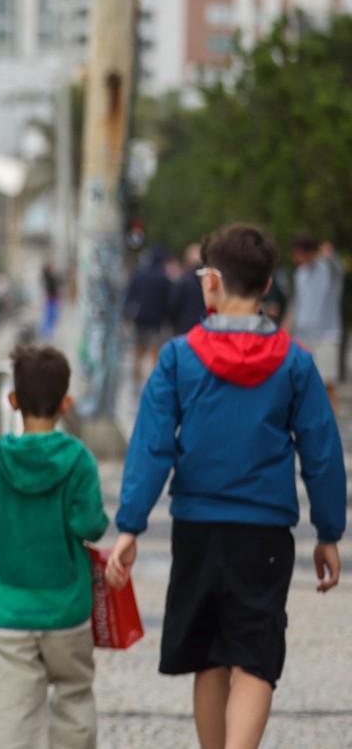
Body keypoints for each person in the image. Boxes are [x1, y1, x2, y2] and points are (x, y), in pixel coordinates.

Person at [107, 223, 345, 749]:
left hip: (198, 528)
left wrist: (130, 525)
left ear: (211, 281)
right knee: (257, 659)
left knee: (209, 657)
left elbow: (152, 446)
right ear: (267, 286)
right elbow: (322, 451)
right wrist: (329, 531)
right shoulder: (295, 362)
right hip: (264, 534)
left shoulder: (177, 358)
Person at [0, 345, 107, 749]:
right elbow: (90, 525)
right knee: (74, 695)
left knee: (13, 710)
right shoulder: (78, 459)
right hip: (67, 608)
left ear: (12, 401)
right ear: (66, 403)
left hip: (10, 612)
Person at [287, 234, 344, 404]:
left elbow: (336, 264)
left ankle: (332, 419)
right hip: (302, 335)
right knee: (302, 383)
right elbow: (297, 303)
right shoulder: (299, 273)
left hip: (326, 334)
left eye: (297, 253)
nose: (295, 258)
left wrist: (325, 253)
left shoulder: (328, 268)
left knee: (327, 383)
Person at [125, 249, 172, 384]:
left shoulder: (140, 274)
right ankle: (151, 379)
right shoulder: (164, 278)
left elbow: (130, 294)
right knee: (154, 350)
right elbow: (168, 300)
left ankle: (136, 375)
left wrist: (128, 315)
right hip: (156, 320)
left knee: (138, 348)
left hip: (139, 317)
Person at [167, 243, 207, 336]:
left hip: (183, 330)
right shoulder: (211, 282)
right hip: (204, 332)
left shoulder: (183, 281)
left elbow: (172, 306)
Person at [40, 263, 62, 341]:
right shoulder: (49, 278)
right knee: (50, 316)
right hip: (51, 298)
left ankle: (46, 332)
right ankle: (47, 332)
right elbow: (53, 288)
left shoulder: (49, 278)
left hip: (52, 298)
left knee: (50, 316)